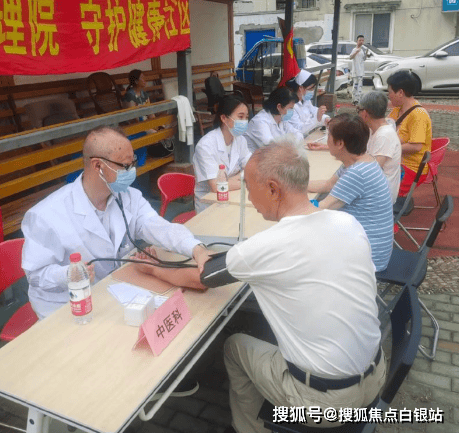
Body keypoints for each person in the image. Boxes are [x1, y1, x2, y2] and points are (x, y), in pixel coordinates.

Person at [223, 138, 385, 432]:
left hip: (324, 404)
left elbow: (204, 276)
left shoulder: (259, 249)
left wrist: (151, 267)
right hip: (376, 377)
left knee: (234, 346)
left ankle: (249, 428)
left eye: (249, 187)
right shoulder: (348, 223)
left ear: (273, 189)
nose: (249, 197)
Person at [21, 126, 211, 320]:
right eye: (125, 166)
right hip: (66, 306)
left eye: (133, 163)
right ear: (98, 166)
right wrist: (69, 274)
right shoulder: (46, 215)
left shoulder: (128, 197)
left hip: (115, 290)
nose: (132, 171)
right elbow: (36, 275)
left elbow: (159, 227)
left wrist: (196, 248)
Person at [308, 113, 393, 271]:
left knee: (304, 250)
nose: (326, 140)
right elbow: (328, 185)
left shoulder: (357, 173)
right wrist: (292, 185)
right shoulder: (362, 161)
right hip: (368, 246)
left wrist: (284, 202)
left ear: (340, 143)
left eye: (328, 136)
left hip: (368, 258)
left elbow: (319, 209)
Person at [193, 95, 252, 213]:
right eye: (240, 117)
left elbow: (252, 168)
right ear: (224, 118)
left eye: (246, 117)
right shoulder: (206, 145)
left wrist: (232, 180)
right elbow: (216, 187)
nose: (244, 122)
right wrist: (245, 179)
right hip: (210, 204)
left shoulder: (240, 140)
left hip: (234, 195)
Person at [386, 70, 432, 197]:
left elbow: (416, 146)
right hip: (397, 162)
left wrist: (391, 149)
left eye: (390, 92)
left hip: (410, 168)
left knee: (376, 187)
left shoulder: (418, 115)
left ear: (400, 92)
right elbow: (384, 127)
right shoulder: (398, 109)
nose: (388, 96)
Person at [358, 91, 401, 203]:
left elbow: (373, 171)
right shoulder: (375, 129)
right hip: (376, 190)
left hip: (379, 198)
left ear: (365, 113)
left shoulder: (384, 135)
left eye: (358, 110)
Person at [243, 87, 303, 153]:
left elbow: (299, 135)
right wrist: (290, 143)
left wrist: (291, 143)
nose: (292, 111)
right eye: (290, 108)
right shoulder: (260, 121)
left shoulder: (281, 119)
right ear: (279, 107)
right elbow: (271, 147)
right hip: (255, 158)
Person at [285, 69, 330, 136]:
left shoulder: (305, 99)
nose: (312, 91)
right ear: (301, 88)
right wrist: (317, 119)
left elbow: (313, 111)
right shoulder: (291, 105)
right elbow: (299, 129)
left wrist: (325, 118)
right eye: (310, 88)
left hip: (310, 134)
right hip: (299, 138)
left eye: (313, 88)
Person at [349, 35, 367, 105]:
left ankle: (358, 100)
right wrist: (356, 52)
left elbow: (363, 59)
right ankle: (354, 99)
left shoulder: (362, 50)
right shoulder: (354, 49)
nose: (361, 42)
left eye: (362, 40)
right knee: (355, 86)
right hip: (356, 71)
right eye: (360, 40)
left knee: (360, 86)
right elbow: (350, 57)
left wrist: (366, 55)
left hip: (361, 71)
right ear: (357, 41)